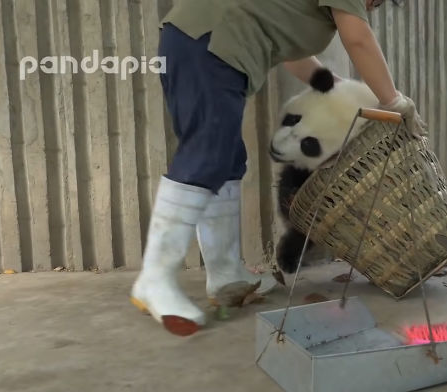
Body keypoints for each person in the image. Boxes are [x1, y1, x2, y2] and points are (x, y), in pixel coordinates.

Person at [130, 0, 425, 337]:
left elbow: (287, 46)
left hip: (204, 44)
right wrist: (396, 102)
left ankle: (225, 274)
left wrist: (330, 84)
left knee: (225, 158)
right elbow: (358, 40)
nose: (373, 7)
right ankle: (155, 278)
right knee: (206, 153)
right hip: (208, 42)